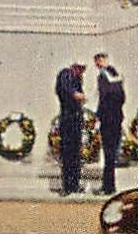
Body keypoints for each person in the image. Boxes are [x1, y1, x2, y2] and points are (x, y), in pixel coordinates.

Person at [93, 53, 126, 195]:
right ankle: (109, 185)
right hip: (117, 117)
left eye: (99, 60)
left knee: (108, 154)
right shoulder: (116, 75)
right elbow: (122, 97)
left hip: (108, 119)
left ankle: (108, 187)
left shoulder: (103, 76)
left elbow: (104, 98)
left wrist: (98, 115)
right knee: (111, 156)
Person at [54, 62, 87, 195]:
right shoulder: (65, 74)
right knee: (67, 154)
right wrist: (76, 94)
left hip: (76, 119)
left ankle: (75, 184)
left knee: (75, 154)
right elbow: (67, 91)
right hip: (68, 118)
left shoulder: (78, 79)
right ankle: (67, 186)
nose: (82, 72)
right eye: (80, 68)